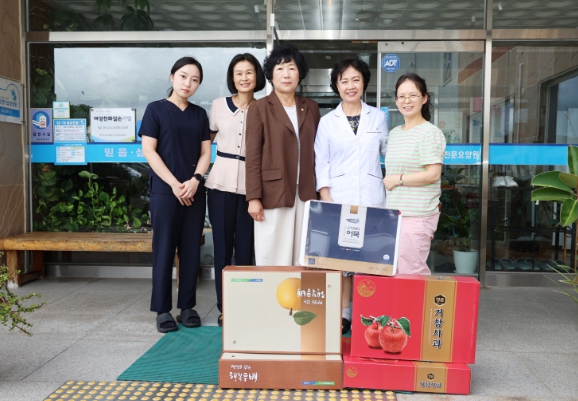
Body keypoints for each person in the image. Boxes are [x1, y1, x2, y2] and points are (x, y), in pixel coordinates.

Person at [314, 57, 388, 333]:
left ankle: (366, 312)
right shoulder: (327, 122)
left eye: (355, 79)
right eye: (344, 81)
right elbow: (321, 161)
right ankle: (344, 313)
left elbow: (388, 152)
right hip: (339, 197)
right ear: (336, 85)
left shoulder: (378, 117)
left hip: (371, 196)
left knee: (368, 258)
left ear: (364, 82)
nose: (350, 86)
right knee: (342, 259)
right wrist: (326, 195)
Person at [140, 57, 211, 333]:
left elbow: (205, 153)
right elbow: (149, 151)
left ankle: (187, 306)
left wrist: (195, 180)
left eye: (195, 80)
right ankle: (162, 309)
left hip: (193, 191)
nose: (188, 83)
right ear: (172, 77)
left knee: (191, 248)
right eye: (183, 76)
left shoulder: (199, 114)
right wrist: (173, 184)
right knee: (165, 248)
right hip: (165, 191)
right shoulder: (155, 109)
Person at [245, 45, 321, 265]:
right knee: (273, 252)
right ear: (271, 75)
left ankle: (298, 289)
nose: (286, 74)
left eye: (292, 68)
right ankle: (273, 289)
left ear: (300, 74)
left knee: (303, 253)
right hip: (273, 192)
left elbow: (319, 151)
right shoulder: (259, 108)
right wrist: (253, 198)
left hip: (306, 191)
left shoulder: (311, 107)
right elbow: (252, 157)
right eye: (280, 69)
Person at [205, 53, 266, 327]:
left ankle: (244, 304)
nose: (244, 78)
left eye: (249, 72)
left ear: (257, 76)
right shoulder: (218, 105)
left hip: (251, 188)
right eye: (239, 73)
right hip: (220, 183)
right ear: (232, 77)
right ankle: (225, 307)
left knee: (244, 249)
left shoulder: (264, 107)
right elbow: (205, 143)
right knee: (222, 248)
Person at [383, 73, 446, 275]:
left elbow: (433, 174)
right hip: (395, 213)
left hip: (417, 215)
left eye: (413, 95)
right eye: (401, 96)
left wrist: (398, 180)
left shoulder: (429, 132)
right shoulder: (394, 133)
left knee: (411, 272)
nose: (406, 101)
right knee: (397, 272)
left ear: (424, 98)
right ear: (396, 101)